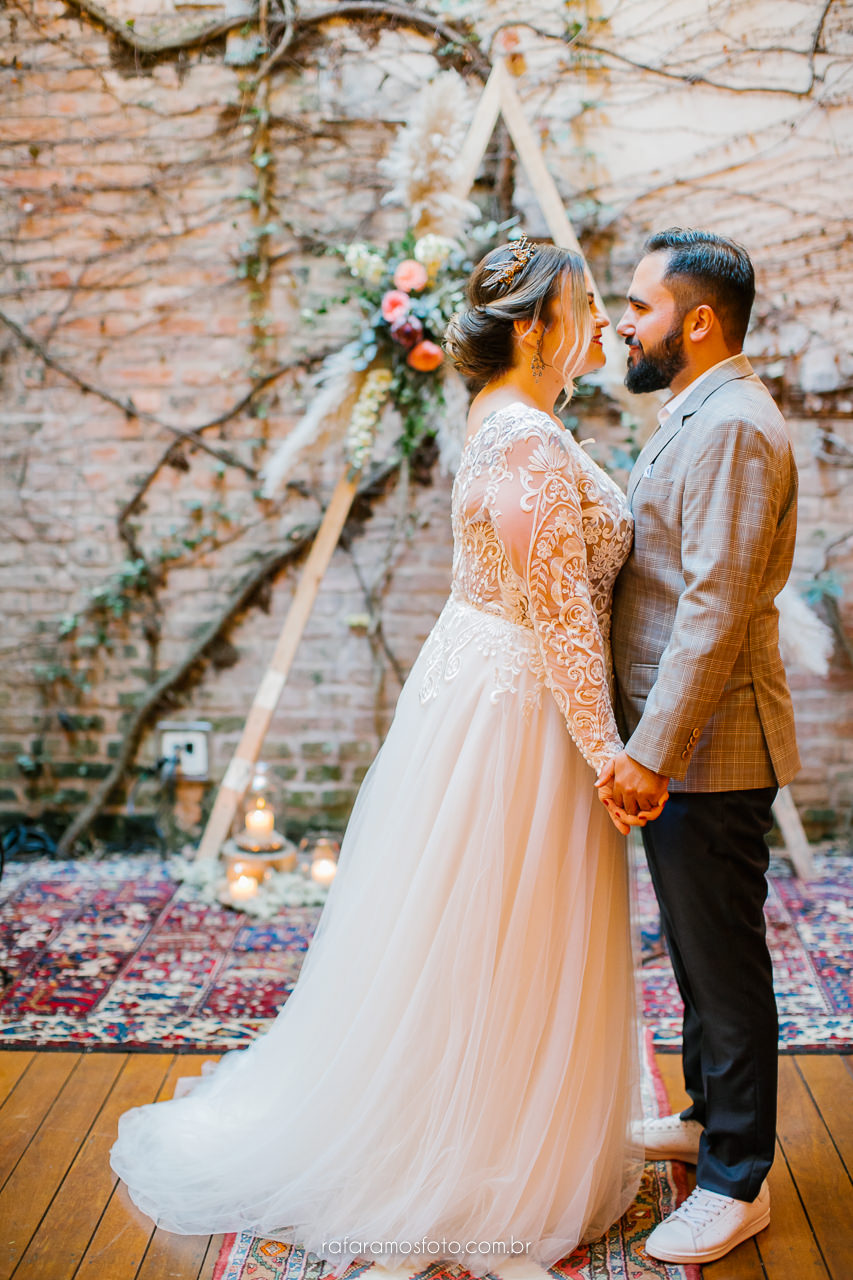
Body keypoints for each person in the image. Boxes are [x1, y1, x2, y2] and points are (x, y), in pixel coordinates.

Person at [110, 241, 657, 1275]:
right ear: (535, 324)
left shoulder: (504, 416)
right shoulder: (528, 440)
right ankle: (472, 1155)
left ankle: (491, 1121)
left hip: (486, 676)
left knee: (480, 922)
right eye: (583, 307)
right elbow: (560, 619)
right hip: (519, 703)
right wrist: (607, 753)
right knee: (500, 925)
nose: (595, 325)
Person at [598, 228, 800, 1265]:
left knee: (722, 963)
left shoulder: (730, 425)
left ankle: (736, 1178)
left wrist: (653, 750)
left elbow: (714, 606)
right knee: (693, 944)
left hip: (710, 745)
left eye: (636, 304)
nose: (620, 321)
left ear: (698, 320)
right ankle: (706, 1111)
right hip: (686, 739)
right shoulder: (699, 412)